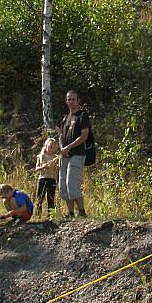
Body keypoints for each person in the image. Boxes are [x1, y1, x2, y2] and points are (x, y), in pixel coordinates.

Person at [59, 90, 90, 219]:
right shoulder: (66, 118)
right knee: (63, 186)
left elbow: (84, 136)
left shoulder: (82, 116)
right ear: (66, 101)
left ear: (78, 100)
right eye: (69, 99)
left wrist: (68, 147)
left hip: (77, 154)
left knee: (72, 184)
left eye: (73, 99)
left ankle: (81, 212)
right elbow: (61, 135)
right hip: (65, 155)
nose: (71, 102)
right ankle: (70, 213)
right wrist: (62, 148)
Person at [34, 137, 60, 216]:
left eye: (54, 147)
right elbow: (36, 168)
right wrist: (44, 167)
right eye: (50, 146)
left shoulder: (56, 157)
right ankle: (38, 215)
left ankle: (52, 215)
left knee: (51, 198)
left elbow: (57, 169)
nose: (52, 149)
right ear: (46, 146)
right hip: (42, 178)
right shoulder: (41, 156)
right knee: (39, 198)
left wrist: (54, 166)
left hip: (52, 179)